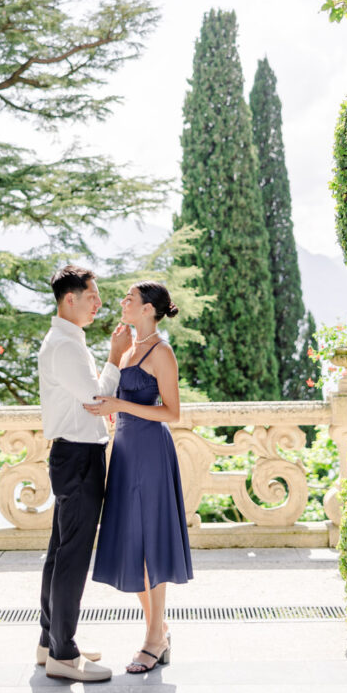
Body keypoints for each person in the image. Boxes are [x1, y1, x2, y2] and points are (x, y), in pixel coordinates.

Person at [84, 281, 193, 673]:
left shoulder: (162, 352)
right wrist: (113, 362)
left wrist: (121, 404)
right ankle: (159, 629)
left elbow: (171, 412)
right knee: (132, 542)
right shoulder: (128, 347)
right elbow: (109, 396)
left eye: (130, 298)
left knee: (151, 545)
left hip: (150, 453)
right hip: (125, 452)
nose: (123, 302)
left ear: (148, 309)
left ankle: (153, 638)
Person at [37, 264, 131, 682]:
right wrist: (115, 357)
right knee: (72, 556)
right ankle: (62, 652)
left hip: (74, 454)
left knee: (61, 551)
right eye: (92, 296)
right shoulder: (65, 346)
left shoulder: (68, 340)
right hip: (77, 457)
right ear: (69, 299)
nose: (99, 303)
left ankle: (50, 642)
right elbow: (97, 399)